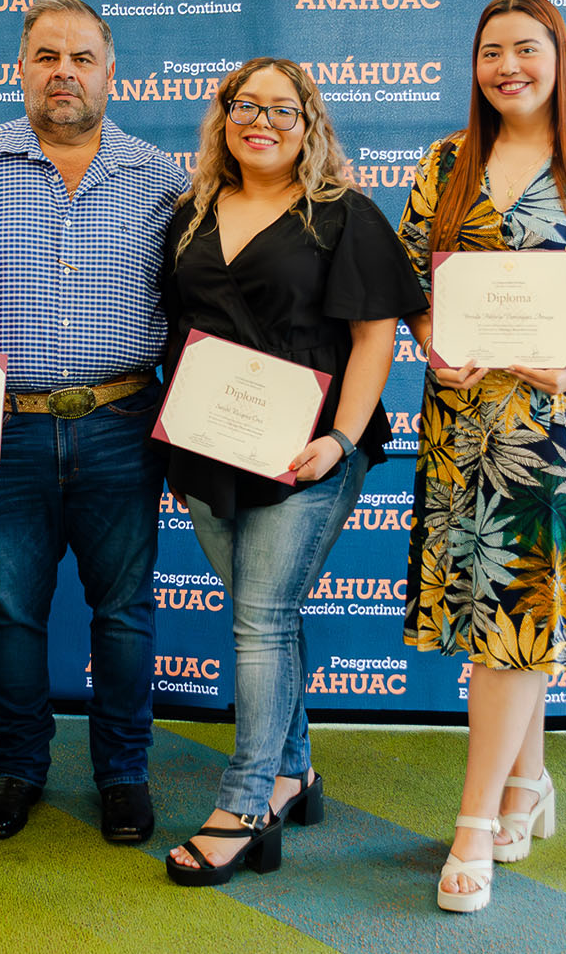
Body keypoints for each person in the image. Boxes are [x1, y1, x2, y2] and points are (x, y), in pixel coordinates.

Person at [397, 0, 566, 914]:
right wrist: (434, 338)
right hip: (464, 425)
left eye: (526, 48)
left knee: (513, 619)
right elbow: (408, 279)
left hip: (562, 427)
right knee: (517, 610)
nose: (507, 66)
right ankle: (527, 784)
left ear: (559, 57)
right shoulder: (444, 162)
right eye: (491, 51)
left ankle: (473, 825)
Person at [0, 0, 187, 845]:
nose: (64, 72)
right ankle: (18, 769)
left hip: (121, 420)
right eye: (47, 56)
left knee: (124, 613)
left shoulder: (161, 176)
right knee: (7, 608)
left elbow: (198, 306)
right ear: (21, 68)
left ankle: (122, 772)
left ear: (112, 73)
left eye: (82, 58)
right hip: (6, 426)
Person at [159, 59, 427, 886]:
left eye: (282, 109)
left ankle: (244, 804)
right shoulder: (191, 211)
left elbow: (377, 336)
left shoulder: (344, 216)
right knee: (260, 613)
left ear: (308, 124)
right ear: (223, 117)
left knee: (261, 619)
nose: (261, 122)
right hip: (207, 446)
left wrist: (343, 440)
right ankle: (294, 770)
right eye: (246, 106)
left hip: (307, 448)